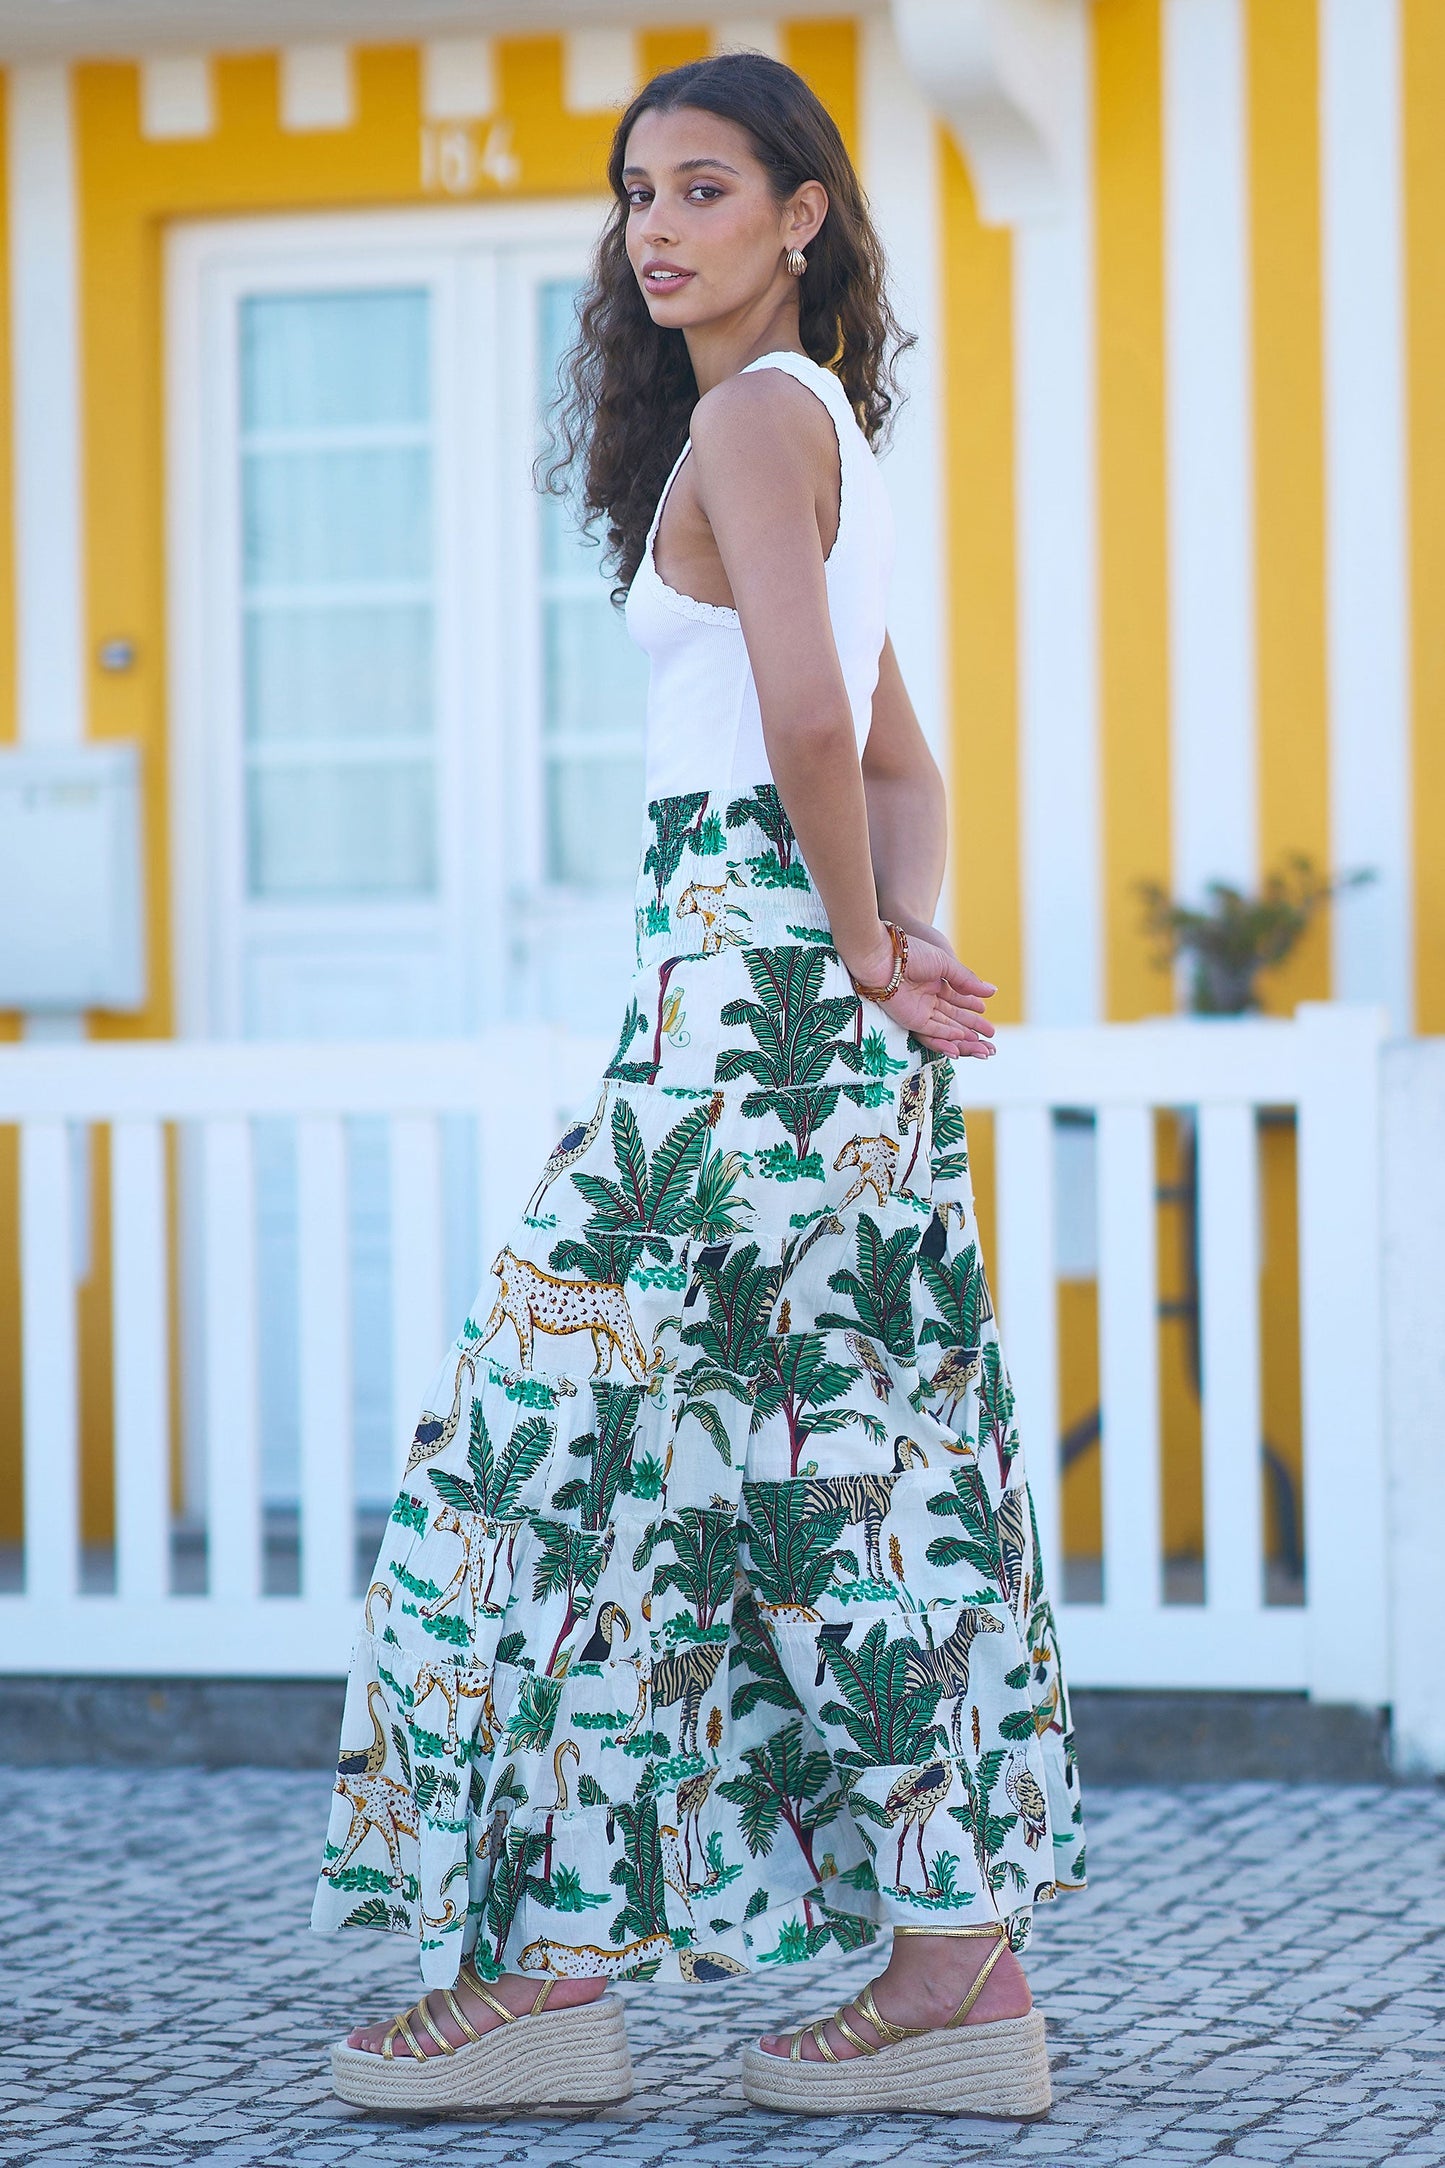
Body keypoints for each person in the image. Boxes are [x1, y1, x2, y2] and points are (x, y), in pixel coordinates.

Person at [314, 48, 1084, 2122]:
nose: (655, 228)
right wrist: (889, 941)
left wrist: (853, 945)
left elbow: (825, 728)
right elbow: (904, 764)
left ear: (803, 214)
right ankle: (950, 1972)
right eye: (636, 193)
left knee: (544, 1456)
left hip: (740, 1017)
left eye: (704, 187)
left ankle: (548, 1976)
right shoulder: (816, 425)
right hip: (796, 1018)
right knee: (840, 1471)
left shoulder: (755, 417)